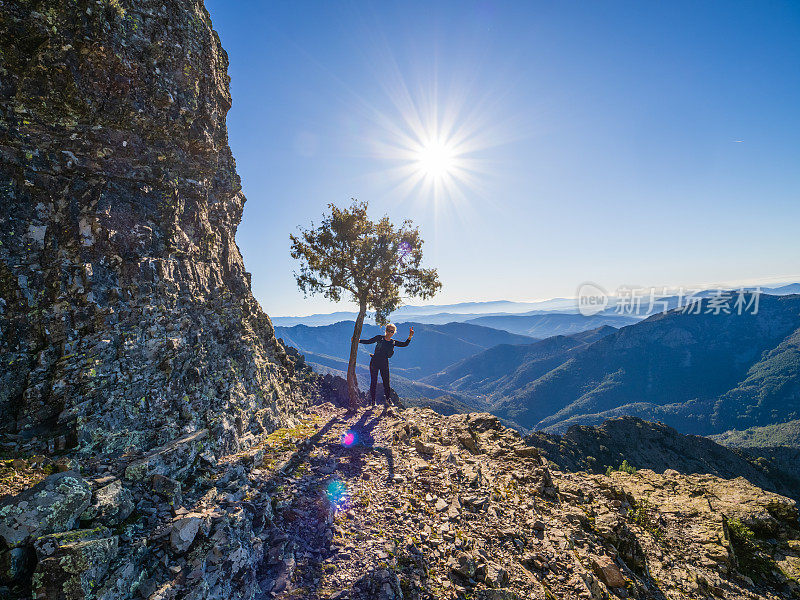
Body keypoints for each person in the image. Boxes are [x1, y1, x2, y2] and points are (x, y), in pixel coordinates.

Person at [359, 323, 414, 408]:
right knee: (374, 381)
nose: (390, 333)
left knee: (386, 382)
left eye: (392, 331)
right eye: (388, 330)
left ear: (394, 332)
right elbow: (368, 341)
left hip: (384, 363)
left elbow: (404, 344)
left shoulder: (393, 342)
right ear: (386, 330)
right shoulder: (379, 338)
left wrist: (410, 336)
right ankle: (373, 401)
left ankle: (388, 399)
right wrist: (357, 340)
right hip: (374, 362)